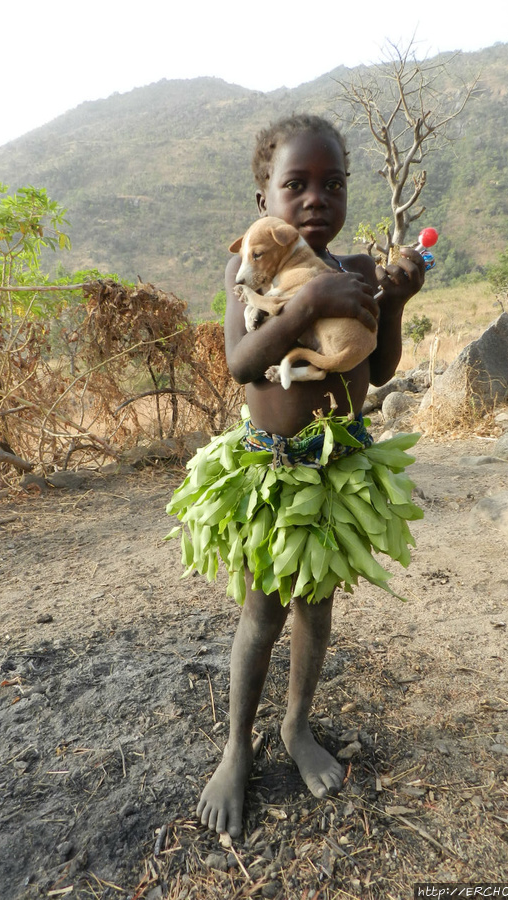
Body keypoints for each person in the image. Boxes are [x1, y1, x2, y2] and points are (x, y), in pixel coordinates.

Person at [170, 114, 425, 838]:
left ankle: (295, 726)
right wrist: (304, 307)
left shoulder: (360, 273)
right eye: (296, 185)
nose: (315, 198)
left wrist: (395, 304)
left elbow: (375, 368)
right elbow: (242, 364)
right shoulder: (247, 266)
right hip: (272, 476)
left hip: (334, 474)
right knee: (261, 614)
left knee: (316, 608)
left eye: (332, 184)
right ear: (264, 199)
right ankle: (234, 749)